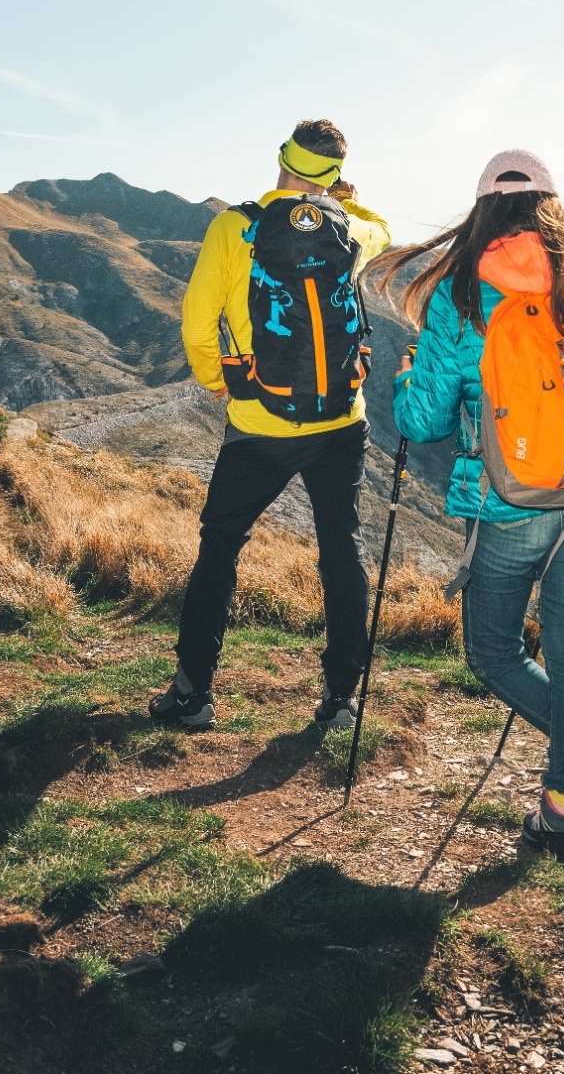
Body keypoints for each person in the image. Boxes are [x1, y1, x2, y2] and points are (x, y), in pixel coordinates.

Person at [378, 150, 564, 866]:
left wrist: (407, 379)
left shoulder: (462, 296)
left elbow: (422, 422)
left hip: (505, 506)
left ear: (482, 216)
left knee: (493, 653)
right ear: (553, 212)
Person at [149, 120, 391, 733]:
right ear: (333, 174)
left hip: (259, 421)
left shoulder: (235, 227)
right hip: (341, 420)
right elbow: (384, 231)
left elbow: (197, 321)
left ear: (282, 158)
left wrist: (219, 381)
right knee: (342, 549)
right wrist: (343, 201)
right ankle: (340, 699)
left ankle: (193, 692)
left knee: (220, 548)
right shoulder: (353, 228)